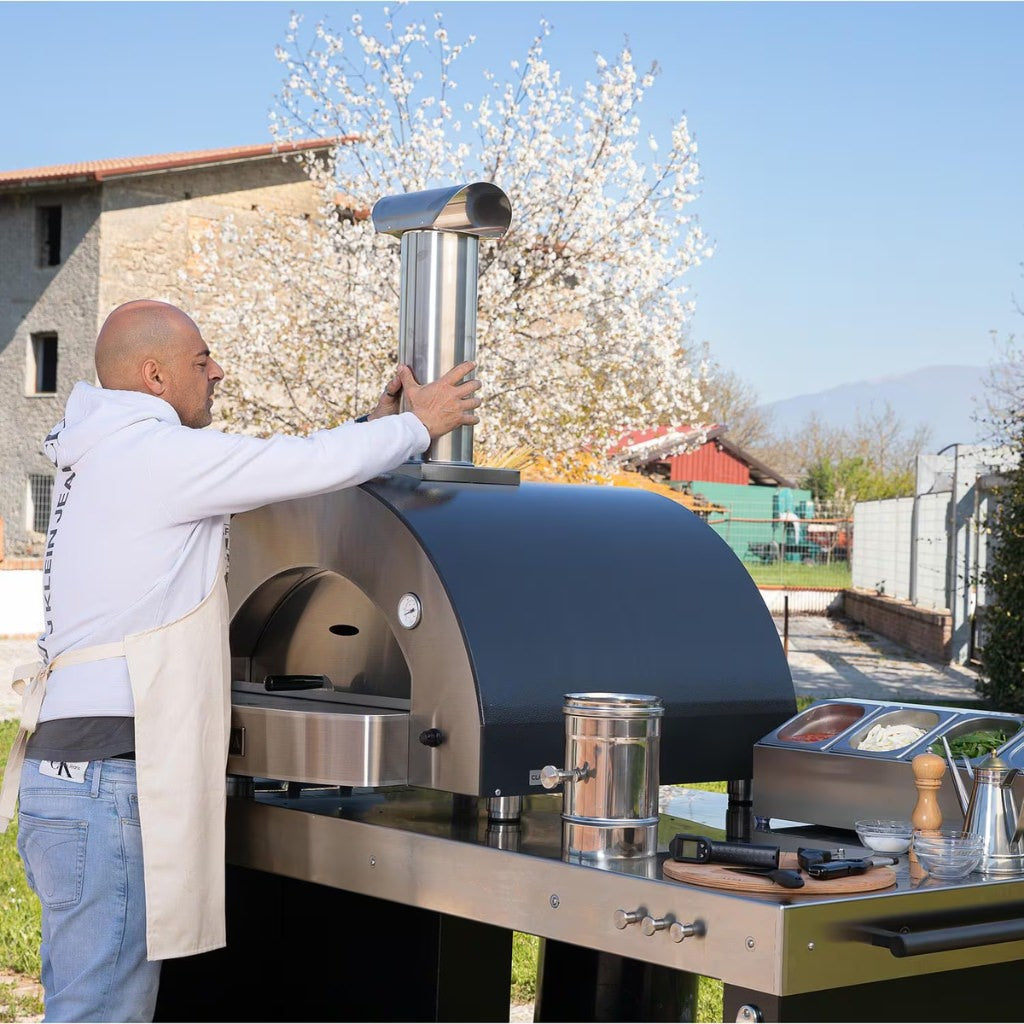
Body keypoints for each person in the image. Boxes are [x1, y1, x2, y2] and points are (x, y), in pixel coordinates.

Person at [0, 299, 481, 1023]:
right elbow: (292, 463)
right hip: (104, 788)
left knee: (88, 1004)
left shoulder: (110, 453)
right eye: (201, 361)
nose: (217, 371)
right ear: (154, 375)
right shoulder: (151, 457)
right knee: (101, 1013)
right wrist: (419, 425)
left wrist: (376, 430)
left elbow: (273, 474)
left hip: (76, 782)